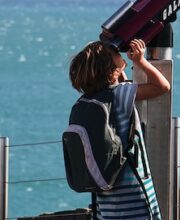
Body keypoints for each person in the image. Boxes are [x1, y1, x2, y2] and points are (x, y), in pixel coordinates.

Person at [69, 39, 170, 220]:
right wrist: (140, 61)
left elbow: (120, 85)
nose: (119, 53)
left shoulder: (85, 102)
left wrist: (119, 69)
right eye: (116, 53)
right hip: (132, 195)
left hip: (105, 195)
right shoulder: (120, 94)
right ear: (111, 70)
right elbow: (162, 87)